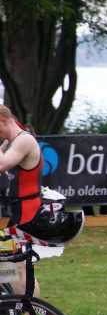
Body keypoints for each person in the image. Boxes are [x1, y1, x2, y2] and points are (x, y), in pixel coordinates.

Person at [0, 105, 42, 296]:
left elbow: (2, 165)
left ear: (3, 120)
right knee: (9, 261)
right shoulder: (11, 142)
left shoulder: (24, 140)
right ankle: (14, 310)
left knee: (20, 265)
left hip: (28, 209)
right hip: (19, 208)